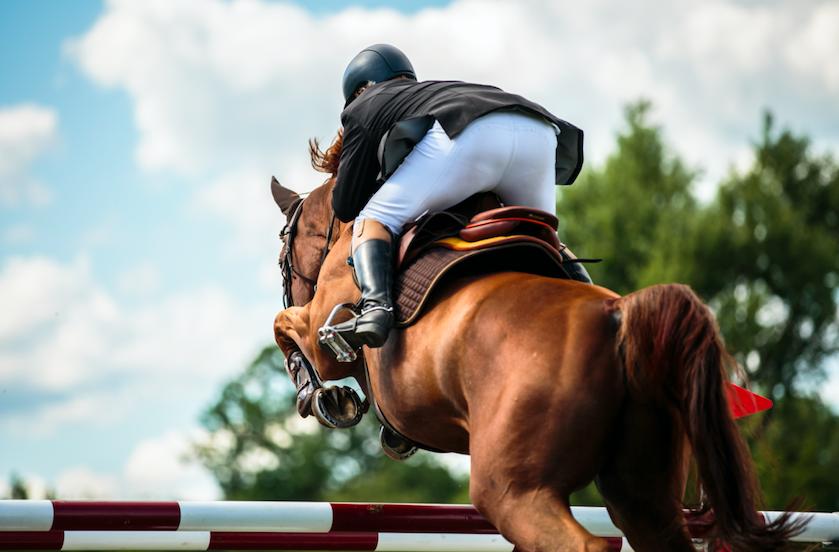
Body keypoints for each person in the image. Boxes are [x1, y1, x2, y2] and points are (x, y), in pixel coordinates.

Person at [330, 44, 590, 351]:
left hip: (473, 134)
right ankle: (589, 297)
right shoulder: (430, 92)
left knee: (373, 218)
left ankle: (375, 309)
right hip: (539, 132)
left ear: (359, 90)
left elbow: (345, 205)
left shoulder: (363, 104)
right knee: (545, 236)